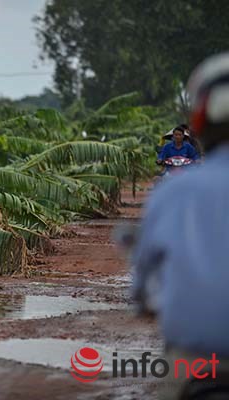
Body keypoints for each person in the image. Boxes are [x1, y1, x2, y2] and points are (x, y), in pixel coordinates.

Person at [132, 53, 229, 398]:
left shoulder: (175, 193)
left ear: (200, 116)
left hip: (195, 360)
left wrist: (143, 298)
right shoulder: (169, 173)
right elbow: (162, 160)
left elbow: (143, 280)